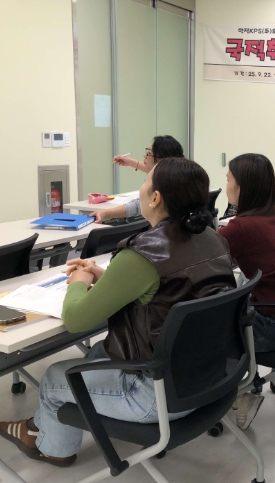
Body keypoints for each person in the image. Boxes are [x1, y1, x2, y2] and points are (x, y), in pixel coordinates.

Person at [0, 158, 236, 466]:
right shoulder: (214, 239)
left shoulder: (144, 254)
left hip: (157, 396)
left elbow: (76, 320)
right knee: (99, 351)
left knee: (55, 376)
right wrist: (109, 279)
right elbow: (172, 288)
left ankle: (53, 448)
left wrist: (79, 282)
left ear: (155, 197)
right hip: (211, 379)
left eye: (145, 182)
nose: (140, 188)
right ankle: (38, 426)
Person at [219, 153, 275, 430]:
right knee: (236, 308)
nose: (226, 185)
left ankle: (240, 395)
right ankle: (249, 383)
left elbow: (202, 260)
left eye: (228, 179)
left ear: (242, 187)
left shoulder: (241, 227)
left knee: (210, 335)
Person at [90, 135, 184, 223]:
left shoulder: (164, 185)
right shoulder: (179, 176)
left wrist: (105, 213)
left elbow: (138, 205)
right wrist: (131, 162)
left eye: (149, 153)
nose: (145, 156)